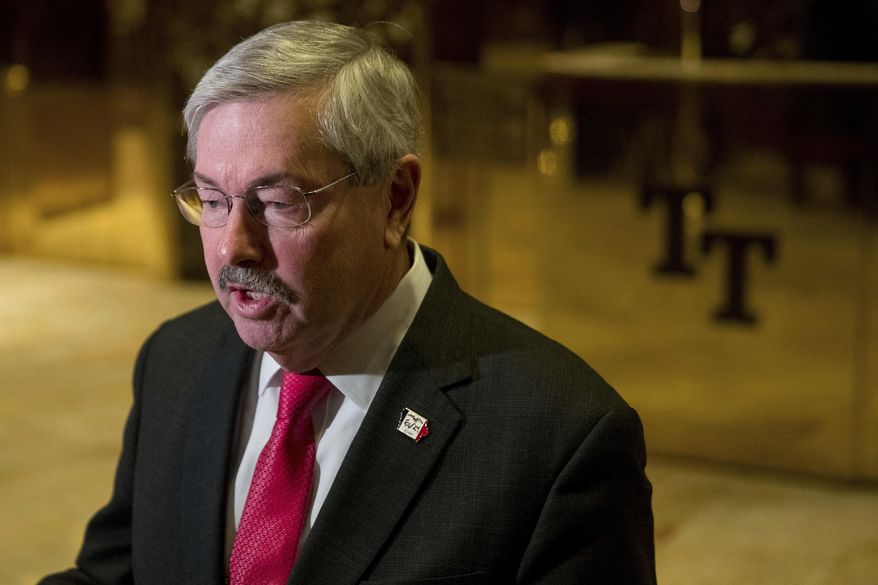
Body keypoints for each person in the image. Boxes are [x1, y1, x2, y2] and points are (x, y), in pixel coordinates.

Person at [40, 20, 656, 585]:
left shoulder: (561, 436)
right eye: (213, 200)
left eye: (279, 203)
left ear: (394, 199)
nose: (234, 249)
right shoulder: (175, 359)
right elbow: (113, 577)